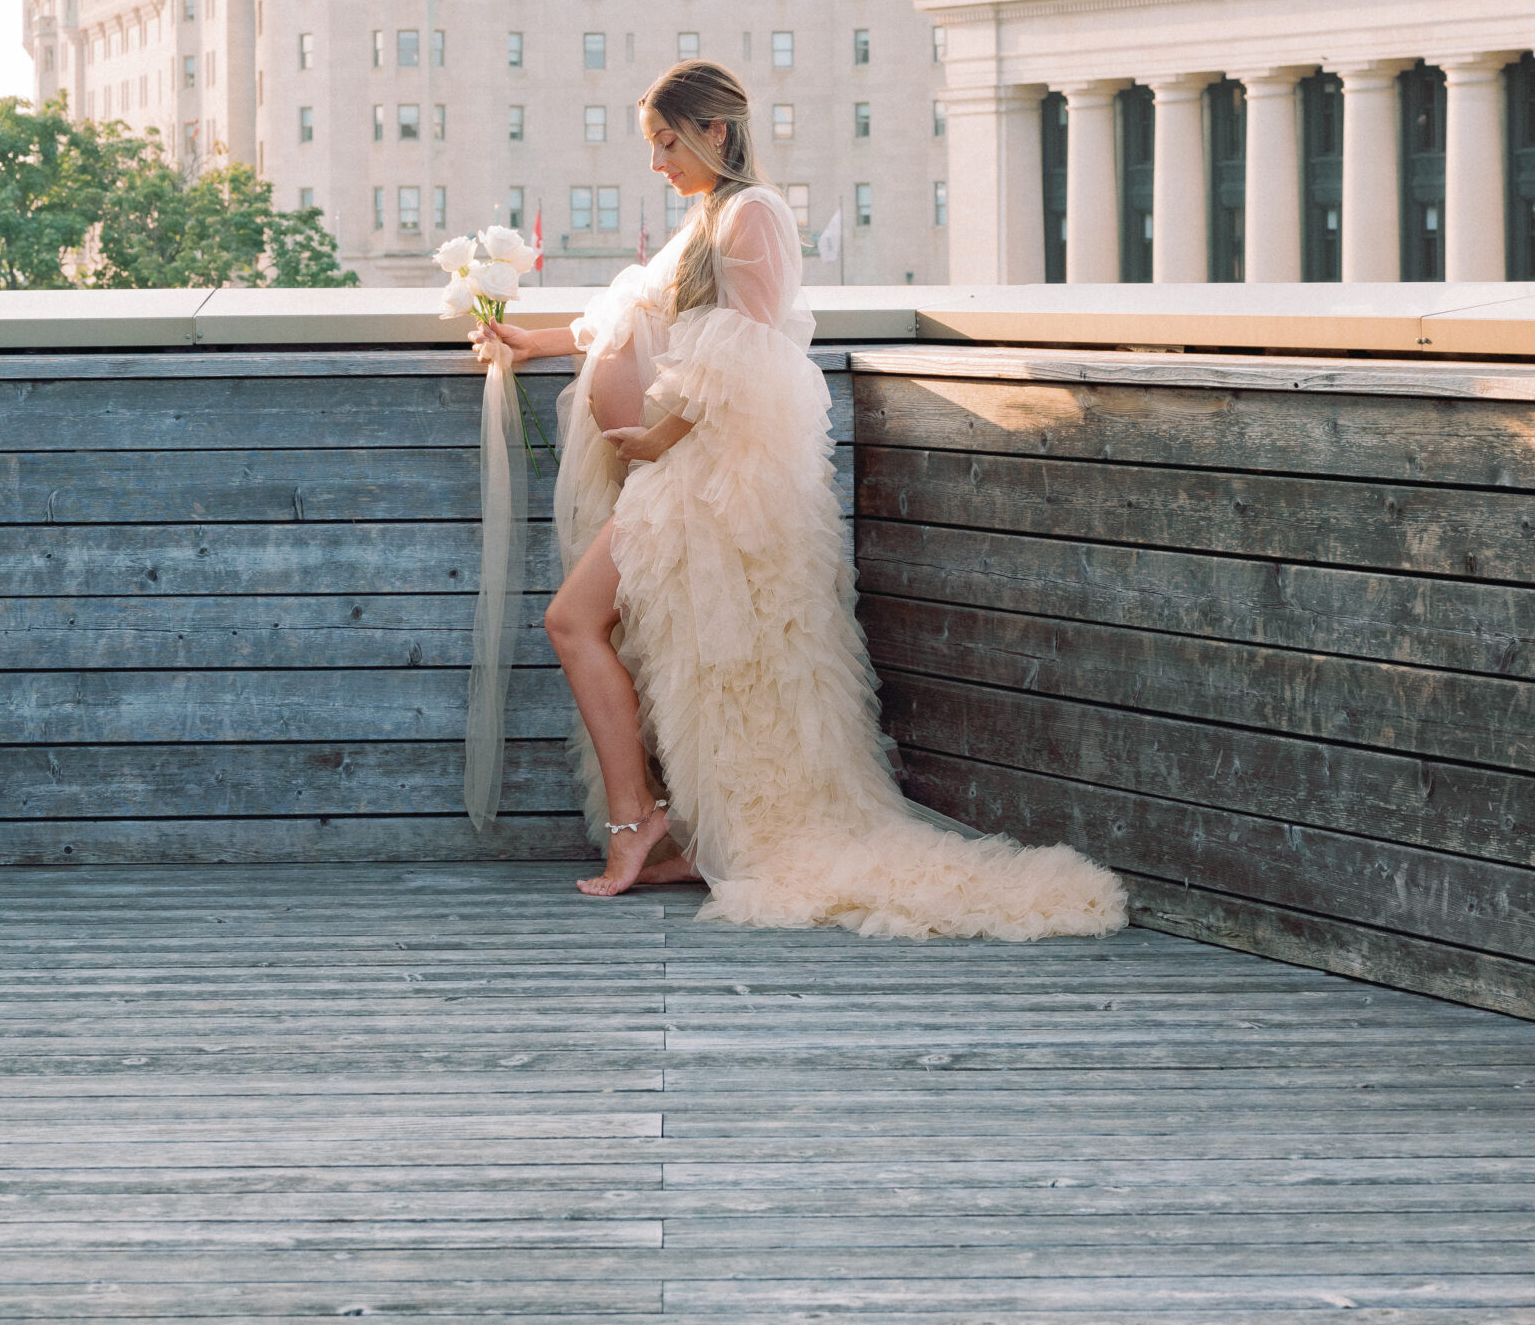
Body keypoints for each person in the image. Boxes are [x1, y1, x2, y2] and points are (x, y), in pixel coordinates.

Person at [473, 59, 1125, 940]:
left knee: (580, 623)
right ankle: (682, 828)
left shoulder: (754, 211)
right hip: (677, 480)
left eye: (667, 141)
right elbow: (631, 322)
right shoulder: (706, 217)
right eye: (651, 143)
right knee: (687, 664)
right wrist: (529, 339)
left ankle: (639, 824)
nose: (656, 160)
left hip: (709, 483)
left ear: (715, 130)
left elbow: (754, 354)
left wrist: (659, 438)